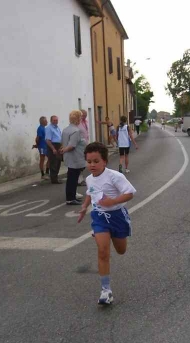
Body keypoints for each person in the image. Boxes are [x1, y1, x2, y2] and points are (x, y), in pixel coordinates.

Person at [78, 142, 136, 304]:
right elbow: (91, 192)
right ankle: (106, 291)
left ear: (104, 161)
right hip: (99, 216)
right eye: (89, 162)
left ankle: (109, 234)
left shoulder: (115, 176)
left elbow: (130, 193)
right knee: (103, 251)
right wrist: (84, 207)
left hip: (117, 216)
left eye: (96, 161)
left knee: (121, 250)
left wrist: (112, 202)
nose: (92, 165)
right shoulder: (89, 179)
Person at [60, 110, 87, 205]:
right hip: (75, 158)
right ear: (77, 119)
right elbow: (72, 145)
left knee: (71, 177)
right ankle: (70, 198)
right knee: (73, 178)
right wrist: (64, 150)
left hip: (69, 157)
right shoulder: (76, 130)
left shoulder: (66, 129)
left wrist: (64, 150)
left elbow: (64, 142)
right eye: (80, 117)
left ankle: (72, 196)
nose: (81, 119)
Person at [45, 115, 62, 184]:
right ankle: (54, 179)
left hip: (58, 145)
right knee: (53, 163)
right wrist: (53, 149)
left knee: (58, 162)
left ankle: (56, 177)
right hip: (53, 146)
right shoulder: (49, 128)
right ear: (51, 120)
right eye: (54, 120)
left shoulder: (57, 128)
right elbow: (48, 140)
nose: (55, 121)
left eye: (56, 120)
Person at [77, 109, 89, 187]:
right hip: (79, 146)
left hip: (85, 145)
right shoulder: (78, 123)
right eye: (83, 115)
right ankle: (79, 180)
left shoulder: (86, 122)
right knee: (80, 164)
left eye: (85, 115)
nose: (85, 116)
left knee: (83, 163)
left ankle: (80, 179)